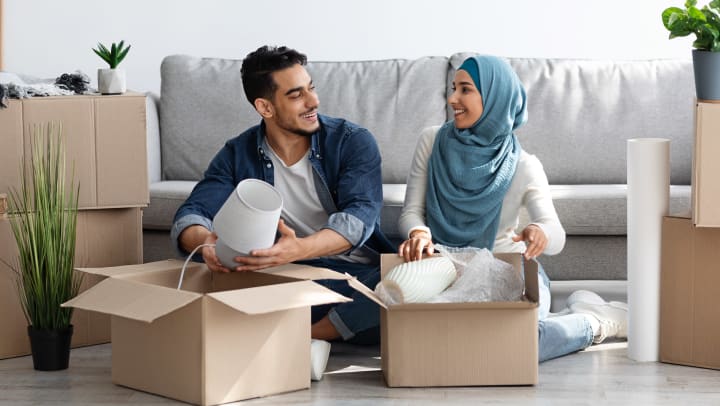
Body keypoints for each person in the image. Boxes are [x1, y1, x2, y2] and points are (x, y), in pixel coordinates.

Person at [171, 45, 395, 379]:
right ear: (265, 107)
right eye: (296, 95)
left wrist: (299, 247)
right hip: (283, 275)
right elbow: (192, 213)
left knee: (401, 280)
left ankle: (304, 334)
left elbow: (360, 218)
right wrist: (206, 243)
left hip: (350, 277)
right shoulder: (237, 153)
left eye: (311, 88)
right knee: (206, 278)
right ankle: (319, 328)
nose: (313, 101)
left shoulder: (352, 141)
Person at [397, 55, 628, 362]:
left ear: (495, 97)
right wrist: (419, 234)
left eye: (465, 89)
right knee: (431, 341)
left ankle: (596, 322)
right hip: (447, 271)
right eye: (453, 88)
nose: (452, 98)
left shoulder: (523, 164)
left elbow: (556, 235)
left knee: (523, 343)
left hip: (510, 272)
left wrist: (540, 231)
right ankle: (576, 315)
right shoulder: (431, 141)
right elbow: (411, 211)